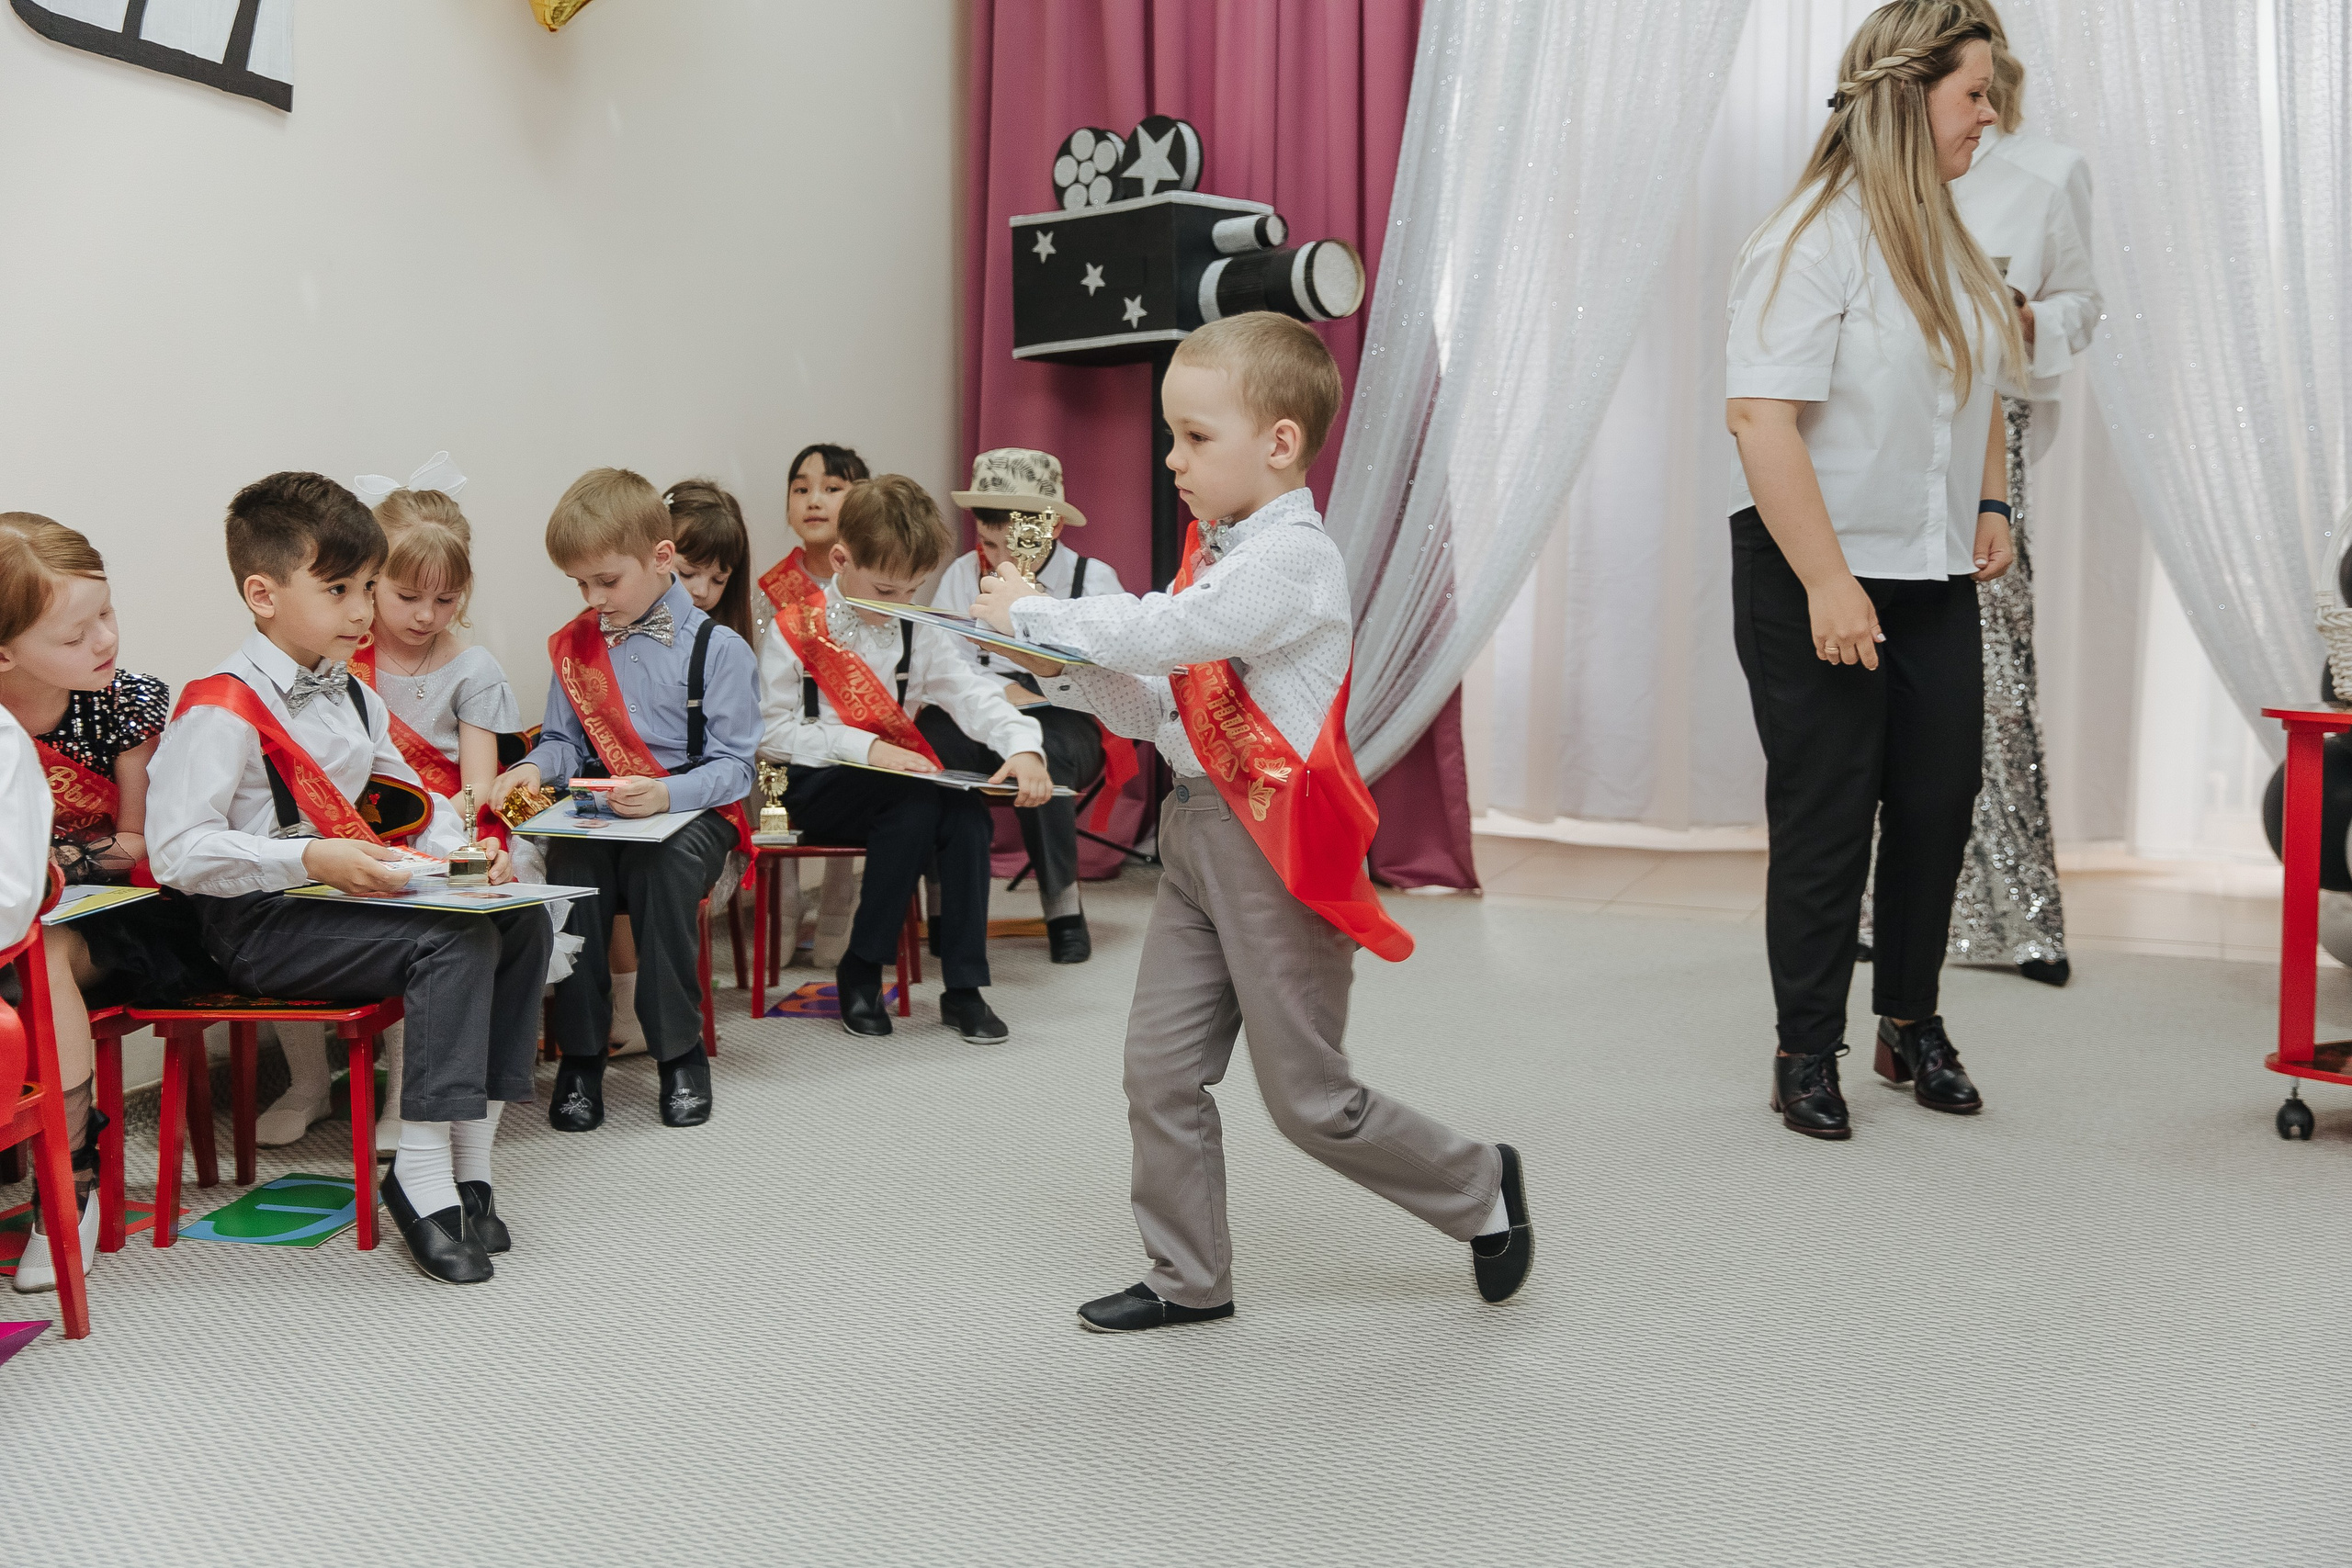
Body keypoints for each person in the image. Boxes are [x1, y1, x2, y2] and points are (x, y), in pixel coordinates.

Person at [973, 311, 1532, 1331]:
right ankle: (1189, 1278)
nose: (1171, 459)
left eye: (1193, 437)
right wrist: (1055, 669)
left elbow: (1170, 631)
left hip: (1274, 841)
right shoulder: (1219, 558)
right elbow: (1158, 703)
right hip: (1194, 828)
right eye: (1171, 435)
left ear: (1278, 442)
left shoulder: (1291, 561)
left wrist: (1039, 616)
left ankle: (1480, 1182)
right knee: (1159, 1070)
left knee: (1310, 1102)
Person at [1724, 0, 2024, 1141]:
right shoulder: (1808, 235)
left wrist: (1989, 499)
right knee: (1828, 812)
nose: (1989, 115)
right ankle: (1806, 1050)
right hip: (1814, 565)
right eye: (1974, 94)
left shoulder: (1945, 233)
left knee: (1939, 799)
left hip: (1931, 566)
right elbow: (1759, 418)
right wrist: (1827, 582)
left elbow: (1982, 373)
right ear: (1911, 101)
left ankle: (1910, 1021)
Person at [147, 472, 552, 1285]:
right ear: (262, 593)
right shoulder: (219, 708)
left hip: (339, 902)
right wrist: (306, 858)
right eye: (339, 590)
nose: (364, 610)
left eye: (368, 586)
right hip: (257, 924)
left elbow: (412, 808)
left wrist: (470, 855)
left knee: (521, 919)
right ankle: (419, 1173)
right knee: (452, 946)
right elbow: (176, 852)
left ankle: (471, 1169)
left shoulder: (352, 697)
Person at [1880, 0, 2098, 988]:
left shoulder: (2048, 171)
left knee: (1993, 678)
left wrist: (2019, 317)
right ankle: (1885, 913)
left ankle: (2022, 917)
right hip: (1879, 431)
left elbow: (2079, 304)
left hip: (1983, 432)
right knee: (1878, 667)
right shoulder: (1870, 171)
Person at [488, 468, 759, 1134]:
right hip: (601, 813)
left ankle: (680, 1054)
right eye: (580, 584)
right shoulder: (578, 645)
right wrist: (529, 767)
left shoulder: (719, 650)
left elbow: (735, 769)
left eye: (606, 581)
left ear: (661, 557)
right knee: (576, 868)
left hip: (693, 814)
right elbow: (561, 741)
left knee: (660, 868)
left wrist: (665, 791)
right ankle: (581, 1057)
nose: (593, 597)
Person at [0, 513, 220, 1292]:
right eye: (74, 631)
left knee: (41, 957)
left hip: (126, 912)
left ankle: (71, 1185)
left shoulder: (124, 703)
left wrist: (54, 863)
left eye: (107, 612)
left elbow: (135, 842)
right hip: (20, 911)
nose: (103, 640)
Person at [756, 475, 1052, 1042]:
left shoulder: (915, 628)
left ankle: (963, 987)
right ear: (841, 559)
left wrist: (1023, 747)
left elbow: (972, 693)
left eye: (912, 592)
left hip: (898, 787)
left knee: (964, 812)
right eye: (886, 590)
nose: (899, 606)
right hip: (816, 785)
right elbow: (771, 733)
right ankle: (861, 967)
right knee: (918, 802)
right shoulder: (795, 629)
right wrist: (866, 747)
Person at [928, 448, 1134, 964]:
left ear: (1054, 528)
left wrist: (1039, 691)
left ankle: (1064, 911)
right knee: (927, 743)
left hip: (1068, 719)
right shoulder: (961, 575)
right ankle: (941, 909)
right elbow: (942, 664)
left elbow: (1111, 674)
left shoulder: (1094, 580)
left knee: (1048, 753)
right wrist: (998, 695)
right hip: (983, 709)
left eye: (1015, 545)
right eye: (990, 543)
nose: (1001, 560)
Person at [756, 444, 869, 969]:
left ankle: (838, 917)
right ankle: (780, 917)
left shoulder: (872, 583)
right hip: (781, 742)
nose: (814, 500)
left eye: (832, 487)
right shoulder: (770, 592)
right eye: (801, 488)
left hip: (853, 742)